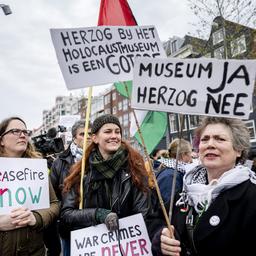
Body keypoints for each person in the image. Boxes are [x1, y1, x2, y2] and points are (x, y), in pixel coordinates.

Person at [153, 117, 256, 256]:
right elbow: (156, 222)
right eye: (204, 139)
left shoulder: (251, 195)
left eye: (220, 139)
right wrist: (161, 239)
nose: (210, 144)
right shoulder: (184, 193)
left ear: (238, 150)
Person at [60, 114, 156, 252]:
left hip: (127, 247)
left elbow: (144, 213)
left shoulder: (135, 169)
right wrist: (98, 214)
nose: (114, 136)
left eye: (117, 132)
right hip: (93, 247)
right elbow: (67, 214)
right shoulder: (81, 172)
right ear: (95, 138)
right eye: (108, 131)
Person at [0, 116, 59, 256]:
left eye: (25, 132)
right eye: (15, 131)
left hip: (34, 251)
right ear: (1, 140)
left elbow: (54, 204)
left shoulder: (37, 169)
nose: (22, 135)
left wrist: (36, 218)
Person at [50, 120, 90, 256]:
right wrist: (65, 212)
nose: (87, 137)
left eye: (90, 134)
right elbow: (53, 195)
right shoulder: (60, 162)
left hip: (95, 225)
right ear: (74, 137)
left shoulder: (101, 158)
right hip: (70, 228)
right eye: (82, 134)